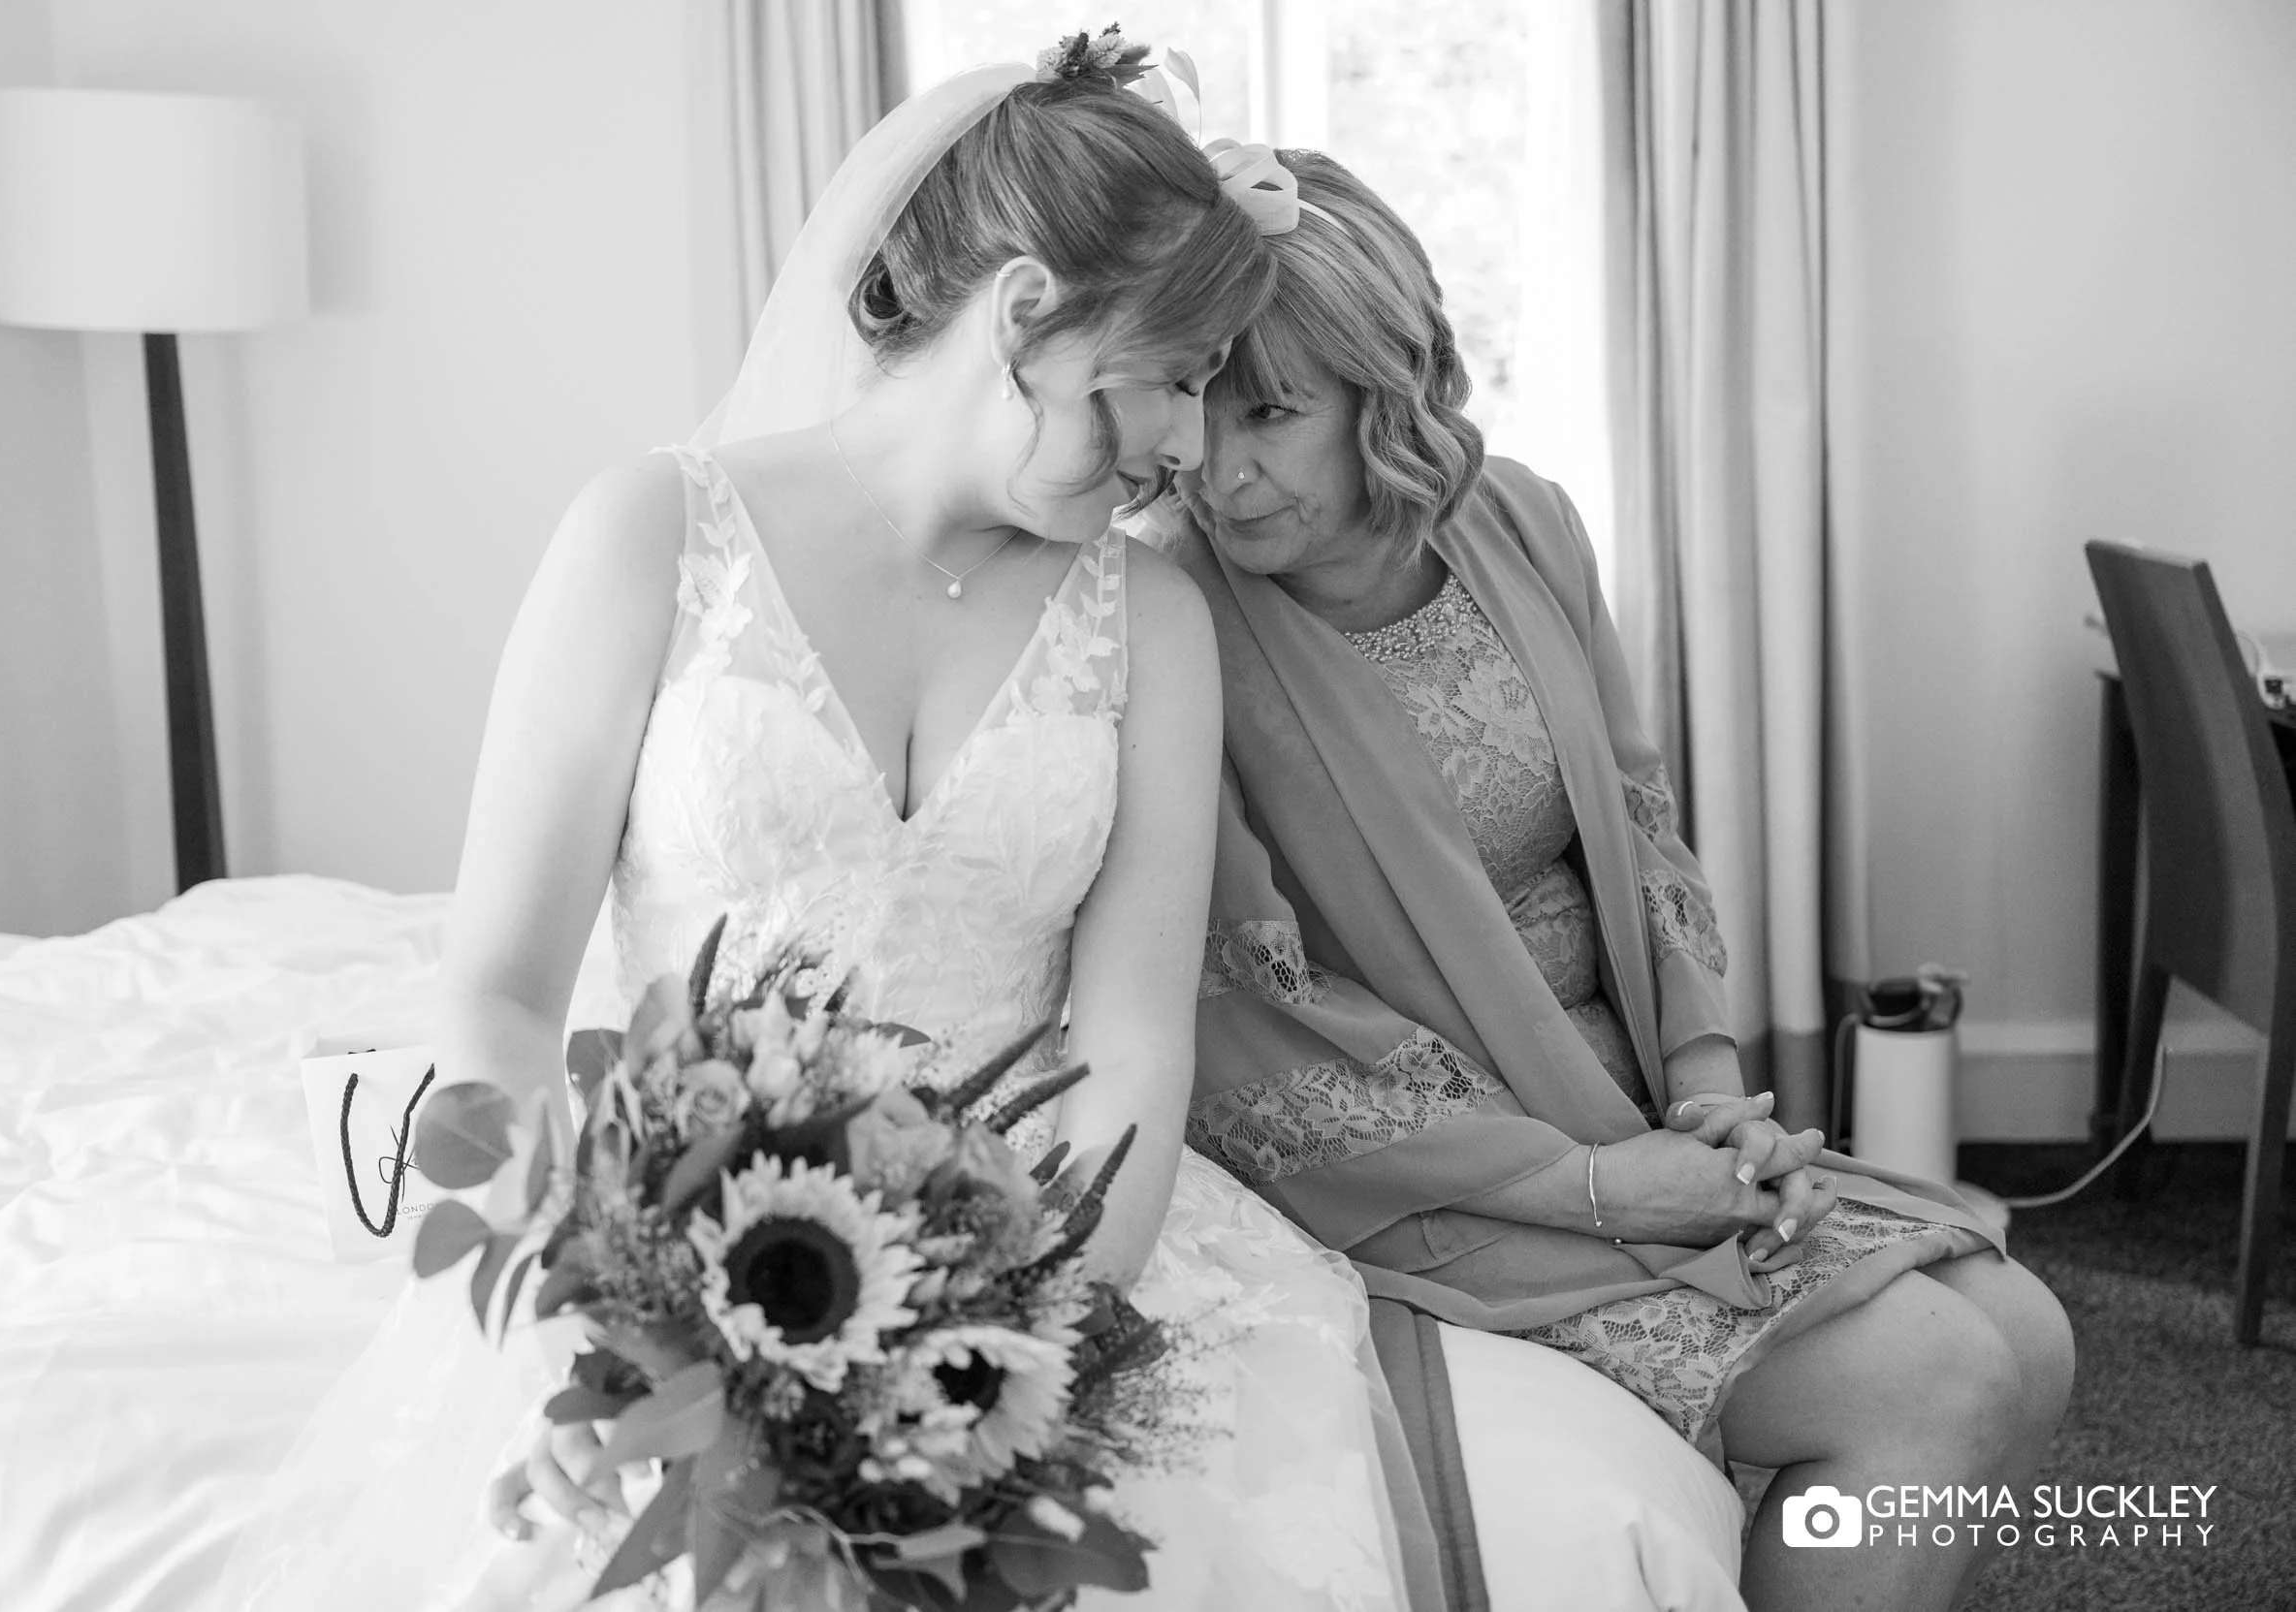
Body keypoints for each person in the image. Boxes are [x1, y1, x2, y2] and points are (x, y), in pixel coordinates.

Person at [225, 42, 1443, 1612]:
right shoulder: (646, 535)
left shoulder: (1150, 618)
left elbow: (1134, 1043)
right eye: (1181, 374)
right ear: (1021, 320)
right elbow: (503, 993)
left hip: (1036, 1263)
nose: (1193, 446)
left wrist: (1015, 1351)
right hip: (667, 1252)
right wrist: (608, 1327)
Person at [1164, 150, 2076, 1612]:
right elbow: (1253, 1024)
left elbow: (1639, 823)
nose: (1220, 465)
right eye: (1192, 405)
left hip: (1645, 1102)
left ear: (1381, 394)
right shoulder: (1177, 621)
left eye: (1269, 411)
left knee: (2030, 1334)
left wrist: (1711, 1083)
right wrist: (1599, 1187)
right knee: (1936, 1378)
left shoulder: (1523, 522)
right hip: (1433, 1170)